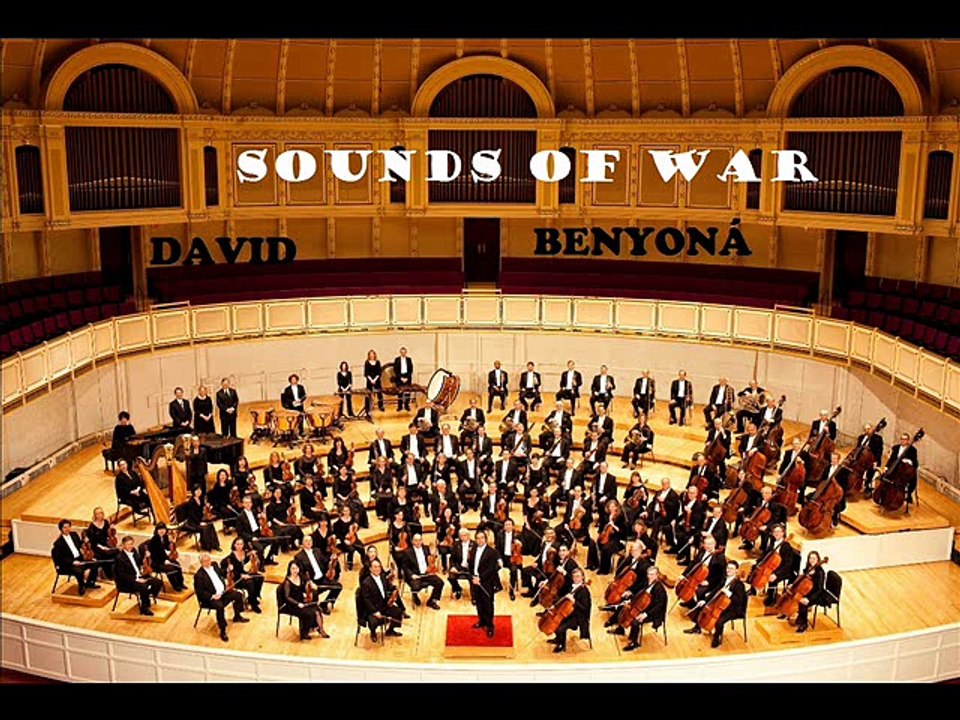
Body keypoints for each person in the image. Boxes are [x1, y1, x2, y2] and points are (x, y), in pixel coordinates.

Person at [685, 560, 747, 648]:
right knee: (703, 607)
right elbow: (714, 591)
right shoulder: (724, 580)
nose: (728, 570)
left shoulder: (739, 585)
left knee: (719, 621)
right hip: (721, 605)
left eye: (731, 569)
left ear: (736, 571)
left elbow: (739, 601)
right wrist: (705, 601)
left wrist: (729, 594)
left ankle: (717, 638)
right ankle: (697, 628)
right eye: (728, 568)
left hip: (733, 609)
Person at [611, 565, 668, 652]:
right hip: (642, 607)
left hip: (653, 613)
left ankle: (634, 642)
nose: (650, 577)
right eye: (649, 574)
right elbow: (639, 593)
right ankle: (621, 629)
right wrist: (630, 599)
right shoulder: (647, 583)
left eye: (652, 575)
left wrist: (645, 614)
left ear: (657, 575)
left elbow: (658, 606)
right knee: (624, 607)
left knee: (635, 621)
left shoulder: (660, 589)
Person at [195, 552, 248, 642]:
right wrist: (213, 596)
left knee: (238, 595)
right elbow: (200, 593)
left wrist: (228, 569)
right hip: (211, 598)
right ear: (201, 563)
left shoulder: (214, 565)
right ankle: (223, 630)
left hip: (223, 593)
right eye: (205, 561)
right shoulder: (199, 575)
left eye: (209, 560)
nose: (208, 562)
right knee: (220, 607)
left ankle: (237, 616)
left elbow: (222, 573)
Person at [778, 551, 827, 633]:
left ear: (818, 559)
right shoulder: (808, 568)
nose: (812, 560)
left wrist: (808, 599)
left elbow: (819, 589)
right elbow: (801, 580)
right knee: (792, 595)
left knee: (802, 603)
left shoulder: (820, 572)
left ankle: (804, 624)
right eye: (810, 558)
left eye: (814, 558)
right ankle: (786, 612)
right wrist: (793, 585)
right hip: (805, 591)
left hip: (815, 594)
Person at [546, 567, 591, 653]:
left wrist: (574, 601)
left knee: (560, 627)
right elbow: (563, 597)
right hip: (569, 612)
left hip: (579, 616)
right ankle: (558, 639)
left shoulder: (584, 592)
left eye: (578, 576)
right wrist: (554, 605)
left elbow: (585, 609)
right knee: (555, 621)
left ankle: (561, 645)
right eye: (574, 577)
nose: (575, 579)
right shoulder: (571, 586)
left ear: (582, 577)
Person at [281, 561, 329, 641]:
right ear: (289, 569)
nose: (295, 570)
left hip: (301, 601)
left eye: (296, 568)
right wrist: (298, 604)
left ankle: (320, 629)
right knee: (309, 613)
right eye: (293, 568)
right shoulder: (287, 582)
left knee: (317, 609)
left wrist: (312, 584)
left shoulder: (300, 577)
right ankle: (304, 632)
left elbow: (307, 583)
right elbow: (287, 597)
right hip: (292, 604)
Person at [115, 535, 162, 615]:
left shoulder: (134, 552)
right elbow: (122, 575)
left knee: (157, 582)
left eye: (131, 544)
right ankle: (144, 608)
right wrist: (136, 579)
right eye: (128, 544)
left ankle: (146, 598)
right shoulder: (119, 558)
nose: (130, 546)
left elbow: (140, 562)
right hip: (128, 581)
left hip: (139, 576)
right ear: (123, 545)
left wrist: (146, 557)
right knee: (143, 586)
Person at [293, 535, 342, 613]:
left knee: (338, 586)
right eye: (306, 541)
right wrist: (310, 582)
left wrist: (331, 561)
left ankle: (324, 604)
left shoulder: (317, 551)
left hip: (322, 579)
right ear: (302, 543)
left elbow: (325, 563)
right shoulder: (298, 557)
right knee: (313, 595)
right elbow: (300, 573)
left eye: (310, 541)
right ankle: (314, 612)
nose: (308, 542)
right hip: (311, 582)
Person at [52, 519, 99, 595]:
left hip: (79, 558)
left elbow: (79, 544)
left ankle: (90, 583)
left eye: (68, 527)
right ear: (61, 529)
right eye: (65, 527)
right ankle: (81, 586)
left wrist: (85, 543)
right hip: (67, 564)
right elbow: (61, 558)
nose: (67, 529)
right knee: (79, 571)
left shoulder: (74, 534)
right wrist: (72, 562)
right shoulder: (58, 543)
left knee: (95, 563)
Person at [360, 559, 404, 638]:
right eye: (375, 567)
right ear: (370, 569)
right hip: (373, 609)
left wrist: (394, 588)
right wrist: (374, 612)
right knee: (374, 622)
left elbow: (389, 587)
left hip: (383, 605)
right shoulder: (366, 583)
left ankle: (390, 630)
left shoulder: (383, 577)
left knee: (398, 612)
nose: (377, 569)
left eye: (378, 567)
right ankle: (373, 632)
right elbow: (366, 600)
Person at [470, 529, 501, 638]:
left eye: (482, 538)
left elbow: (491, 569)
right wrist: (473, 577)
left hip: (486, 582)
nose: (480, 540)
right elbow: (471, 564)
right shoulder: (473, 550)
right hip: (475, 580)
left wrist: (480, 578)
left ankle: (490, 625)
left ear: (486, 539)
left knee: (488, 604)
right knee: (479, 602)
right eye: (477, 538)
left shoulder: (492, 552)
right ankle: (482, 621)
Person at [220, 537, 263, 613]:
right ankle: (253, 603)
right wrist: (231, 570)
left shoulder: (245, 553)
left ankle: (253, 597)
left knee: (260, 577)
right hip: (237, 578)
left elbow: (248, 564)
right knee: (250, 582)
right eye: (238, 544)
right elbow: (222, 567)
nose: (239, 546)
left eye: (241, 544)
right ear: (234, 545)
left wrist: (253, 556)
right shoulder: (230, 557)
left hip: (246, 574)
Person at [402, 534, 444, 609]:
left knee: (440, 583)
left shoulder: (427, 548)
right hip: (415, 575)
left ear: (422, 541)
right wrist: (411, 575)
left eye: (420, 540)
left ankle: (431, 601)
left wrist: (435, 554)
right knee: (416, 587)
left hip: (427, 573)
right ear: (412, 541)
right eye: (416, 540)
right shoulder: (407, 552)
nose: (418, 542)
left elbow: (433, 559)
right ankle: (415, 595)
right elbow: (405, 567)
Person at [235, 495, 280, 565]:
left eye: (249, 502)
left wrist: (264, 521)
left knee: (275, 540)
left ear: (251, 504)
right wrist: (251, 538)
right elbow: (240, 532)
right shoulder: (240, 517)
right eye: (246, 503)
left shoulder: (254, 512)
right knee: (260, 548)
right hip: (250, 537)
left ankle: (268, 559)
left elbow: (260, 522)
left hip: (258, 534)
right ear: (243, 504)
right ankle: (261, 564)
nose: (248, 504)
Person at [880, 433, 920, 509]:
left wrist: (908, 461)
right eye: (902, 439)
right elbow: (891, 459)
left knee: (912, 481)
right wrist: (886, 467)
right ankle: (884, 494)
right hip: (895, 469)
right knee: (885, 476)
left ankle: (908, 495)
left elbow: (915, 463)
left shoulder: (912, 450)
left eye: (905, 439)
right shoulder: (895, 448)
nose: (903, 441)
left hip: (904, 471)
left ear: (908, 440)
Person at [147, 523, 186, 592]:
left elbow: (167, 548)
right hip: (157, 562)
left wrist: (172, 543)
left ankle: (181, 583)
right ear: (156, 530)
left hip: (165, 559)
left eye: (163, 529)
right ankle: (175, 586)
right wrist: (164, 561)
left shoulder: (165, 538)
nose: (162, 531)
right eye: (160, 529)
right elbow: (155, 555)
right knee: (171, 569)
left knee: (178, 566)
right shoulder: (153, 541)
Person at [180, 485, 221, 551]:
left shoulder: (201, 499)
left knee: (210, 525)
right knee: (205, 527)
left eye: (200, 490)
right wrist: (199, 522)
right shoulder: (190, 502)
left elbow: (202, 510)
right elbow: (192, 515)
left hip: (199, 519)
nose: (199, 492)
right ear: (193, 491)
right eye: (197, 490)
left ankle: (215, 545)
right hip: (193, 522)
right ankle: (207, 546)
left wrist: (208, 507)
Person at [85, 507, 120, 581]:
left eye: (101, 513)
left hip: (107, 544)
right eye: (97, 514)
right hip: (97, 547)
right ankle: (109, 575)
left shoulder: (106, 522)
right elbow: (93, 542)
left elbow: (109, 534)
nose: (100, 515)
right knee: (106, 554)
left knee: (117, 551)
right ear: (95, 515)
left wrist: (113, 530)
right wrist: (102, 547)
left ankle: (116, 573)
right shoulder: (92, 527)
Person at [495, 517, 522, 600]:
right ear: (504, 526)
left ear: (513, 526)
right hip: (503, 557)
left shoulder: (517, 535)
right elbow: (497, 549)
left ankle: (511, 590)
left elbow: (524, 549)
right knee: (492, 568)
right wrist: (499, 559)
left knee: (514, 570)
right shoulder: (499, 535)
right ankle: (498, 585)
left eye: (509, 524)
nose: (508, 526)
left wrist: (520, 544)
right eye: (506, 525)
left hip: (513, 558)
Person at [448, 527, 475, 599]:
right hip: (459, 566)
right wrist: (453, 567)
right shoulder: (456, 544)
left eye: (464, 535)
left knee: (473, 577)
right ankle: (458, 589)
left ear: (468, 535)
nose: (462, 537)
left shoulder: (474, 544)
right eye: (461, 536)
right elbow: (452, 558)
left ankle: (474, 596)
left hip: (471, 567)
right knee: (451, 578)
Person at [186, 435, 208, 501]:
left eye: (196, 441)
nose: (195, 443)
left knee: (202, 488)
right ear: (192, 443)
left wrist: (206, 472)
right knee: (194, 488)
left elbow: (205, 462)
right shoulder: (190, 451)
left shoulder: (203, 450)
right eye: (194, 441)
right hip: (193, 473)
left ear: (199, 442)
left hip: (201, 473)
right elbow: (189, 461)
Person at [393, 347, 414, 411]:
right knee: (400, 392)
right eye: (402, 352)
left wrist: (407, 378)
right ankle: (400, 406)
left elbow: (411, 370)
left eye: (404, 352)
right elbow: (395, 370)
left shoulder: (409, 359)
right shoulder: (397, 359)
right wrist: (401, 378)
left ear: (406, 353)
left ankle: (407, 406)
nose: (403, 353)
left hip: (407, 377)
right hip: (399, 377)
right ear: (400, 353)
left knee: (407, 392)